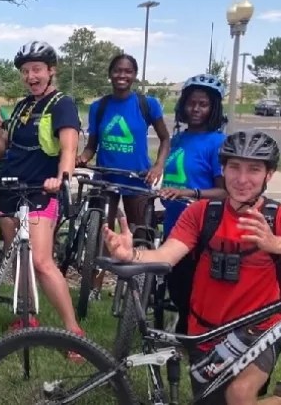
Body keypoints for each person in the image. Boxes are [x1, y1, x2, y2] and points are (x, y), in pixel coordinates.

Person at [104, 130, 281, 405]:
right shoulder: (202, 213)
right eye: (234, 167)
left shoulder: (275, 216)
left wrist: (274, 243)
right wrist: (131, 254)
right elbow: (166, 255)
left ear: (269, 174)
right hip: (205, 332)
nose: (242, 179)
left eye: (254, 170)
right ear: (223, 169)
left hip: (257, 331)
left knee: (239, 394)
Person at [0, 41, 84, 340]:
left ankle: (74, 333)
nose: (31, 76)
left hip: (40, 191)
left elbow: (69, 149)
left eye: (37, 69)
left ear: (51, 71)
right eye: (26, 71)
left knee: (41, 261)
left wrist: (61, 178)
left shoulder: (62, 104)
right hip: (10, 187)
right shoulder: (22, 106)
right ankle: (26, 317)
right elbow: (3, 152)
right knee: (17, 254)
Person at [77, 54, 171, 298]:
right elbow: (92, 146)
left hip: (137, 178)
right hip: (106, 178)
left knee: (140, 233)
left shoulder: (147, 104)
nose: (122, 75)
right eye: (118, 70)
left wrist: (158, 166)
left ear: (134, 75)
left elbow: (165, 139)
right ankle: (95, 286)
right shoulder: (99, 107)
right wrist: (83, 157)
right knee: (102, 234)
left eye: (128, 71)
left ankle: (136, 288)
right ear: (110, 74)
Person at [158, 73, 228, 334]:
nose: (196, 109)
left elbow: (225, 192)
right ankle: (184, 331)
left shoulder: (217, 143)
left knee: (189, 287)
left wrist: (190, 193)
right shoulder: (178, 139)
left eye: (203, 104)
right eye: (191, 103)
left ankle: (190, 336)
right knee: (176, 284)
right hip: (173, 223)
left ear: (213, 108)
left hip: (201, 228)